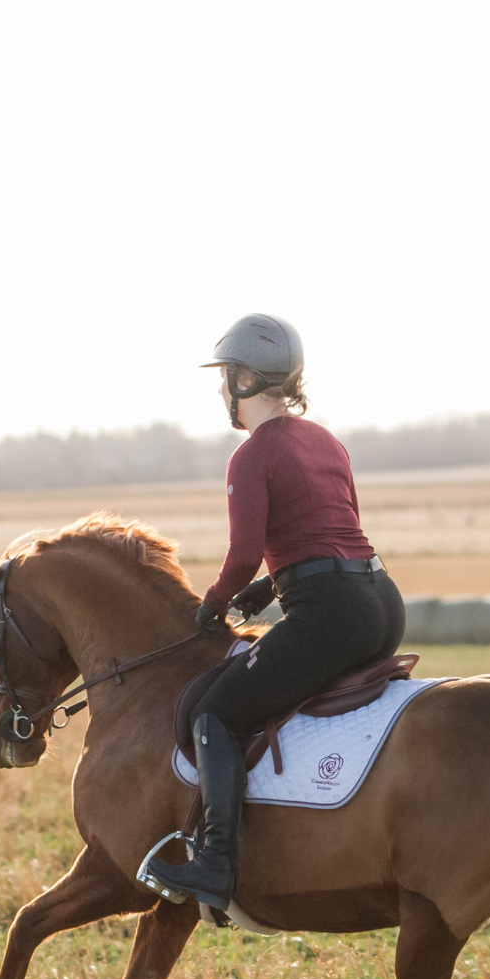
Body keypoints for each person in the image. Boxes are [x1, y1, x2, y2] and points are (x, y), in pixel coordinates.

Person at [139, 313, 405, 912]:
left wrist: (210, 606)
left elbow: (239, 554)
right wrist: (268, 590)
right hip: (382, 603)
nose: (220, 389)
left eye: (225, 376)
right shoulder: (326, 439)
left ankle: (214, 865)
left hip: (331, 615)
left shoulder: (252, 456)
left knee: (213, 714)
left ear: (243, 381)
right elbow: (331, 536)